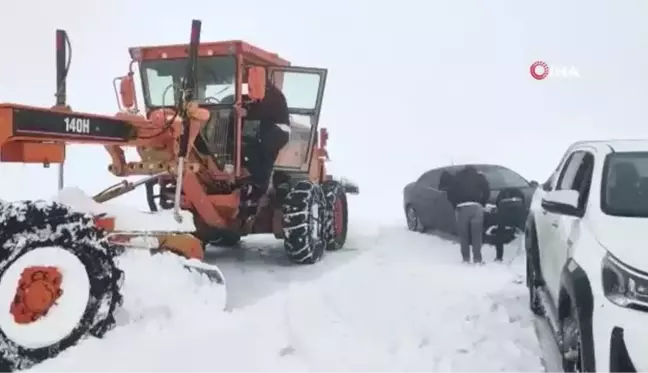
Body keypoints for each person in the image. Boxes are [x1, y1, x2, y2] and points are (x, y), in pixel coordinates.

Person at [235, 79, 291, 223]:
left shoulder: (273, 95)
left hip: (278, 131)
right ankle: (254, 185)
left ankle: (261, 185)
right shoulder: (260, 97)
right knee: (250, 146)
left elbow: (262, 112)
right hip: (265, 131)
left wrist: (246, 112)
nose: (250, 89)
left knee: (260, 148)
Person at [447, 166, 491, 264]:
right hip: (476, 207)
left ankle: (466, 259)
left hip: (461, 207)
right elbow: (487, 190)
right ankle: (477, 259)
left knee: (463, 236)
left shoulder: (456, 178)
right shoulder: (479, 177)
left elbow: (449, 193)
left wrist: (455, 204)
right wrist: (482, 203)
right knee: (477, 235)